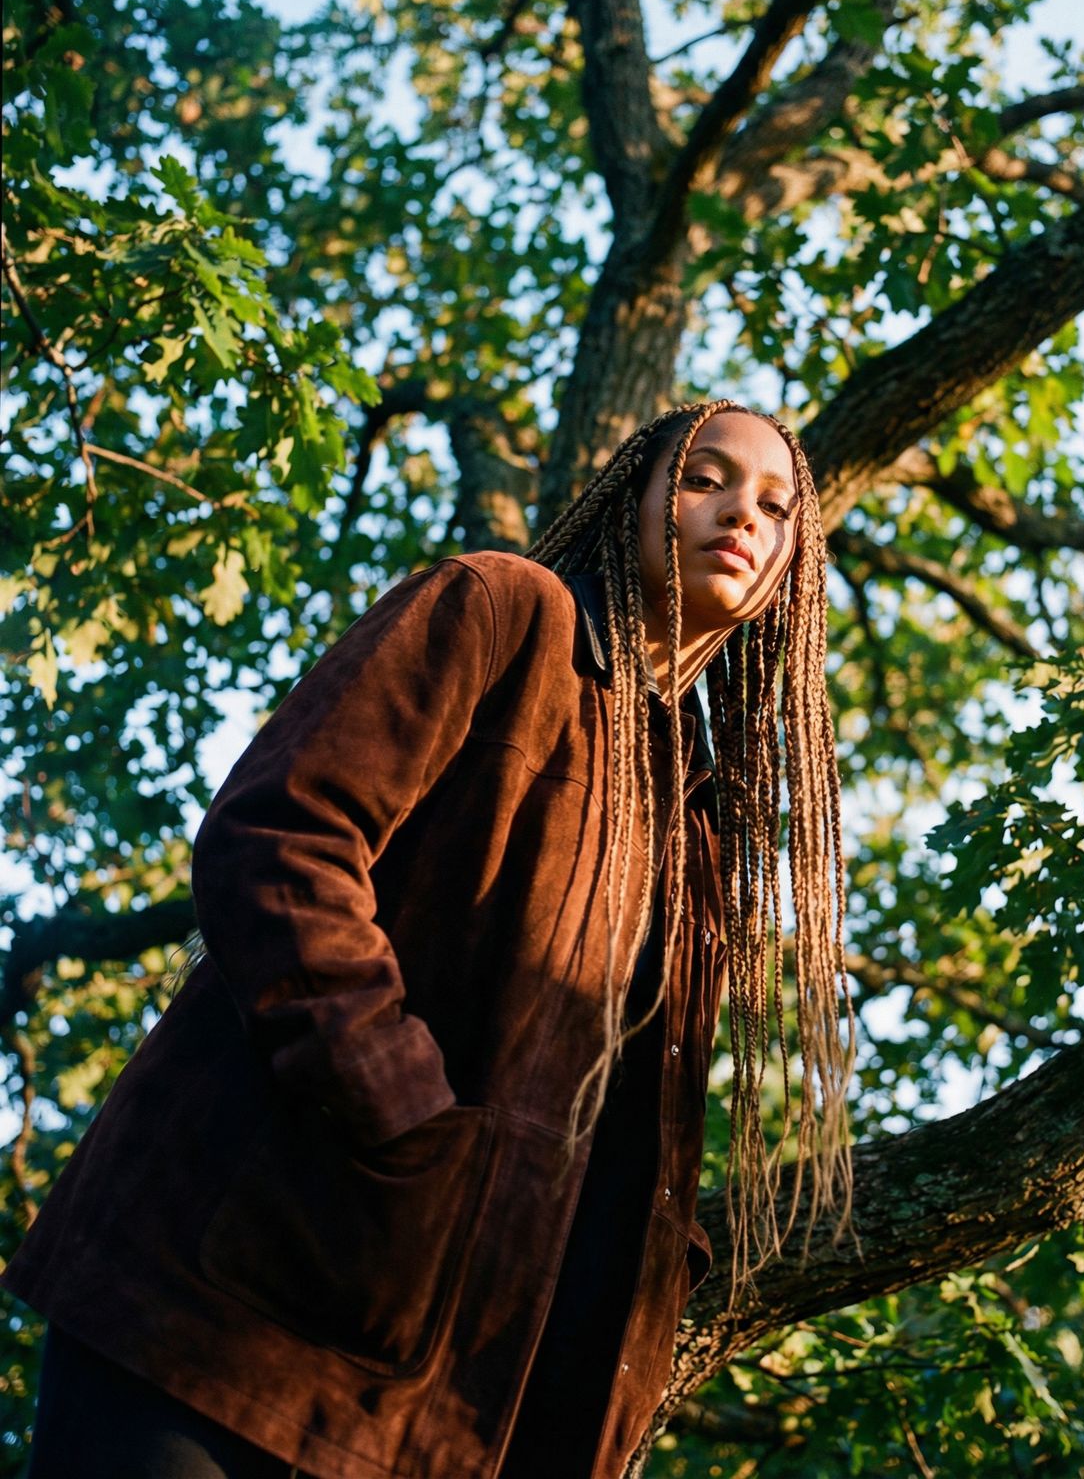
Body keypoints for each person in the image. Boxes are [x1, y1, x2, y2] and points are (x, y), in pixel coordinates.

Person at [6, 399, 858, 1479]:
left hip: (441, 1407)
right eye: (703, 479)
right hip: (221, 1313)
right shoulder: (504, 612)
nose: (741, 512)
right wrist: (408, 1120)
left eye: (777, 505)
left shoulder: (699, 822)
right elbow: (283, 839)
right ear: (631, 500)